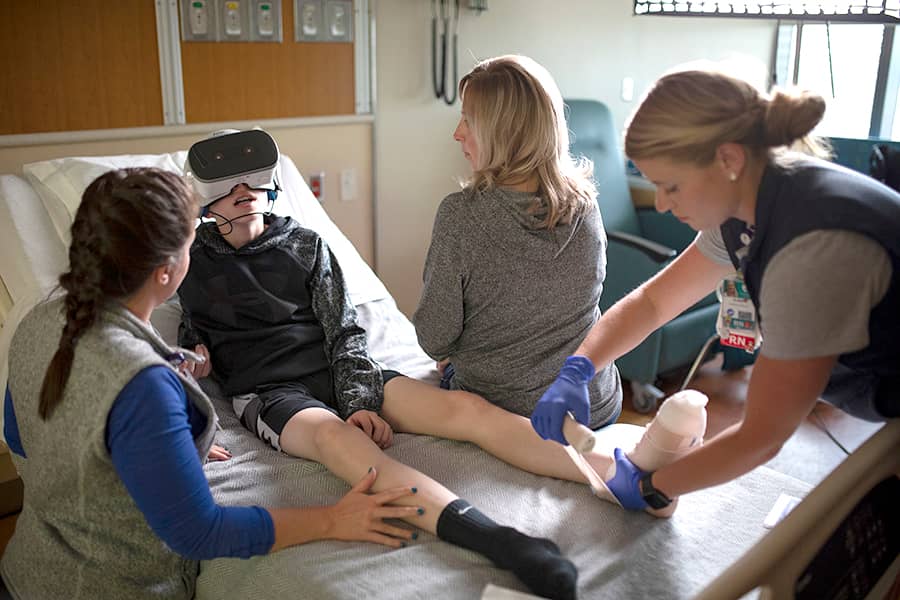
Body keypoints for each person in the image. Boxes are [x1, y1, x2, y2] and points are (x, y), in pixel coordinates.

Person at [177, 129, 579, 600]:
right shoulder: (189, 260)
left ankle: (618, 474)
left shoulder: (305, 245)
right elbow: (185, 339)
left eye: (251, 182)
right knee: (340, 442)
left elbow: (344, 329)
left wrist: (357, 400)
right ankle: (503, 543)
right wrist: (196, 390)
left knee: (465, 408)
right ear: (205, 197)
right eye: (228, 186)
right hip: (270, 393)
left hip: (338, 368)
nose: (243, 194)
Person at [1, 168, 423, 600]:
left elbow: (21, 441)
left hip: (24, 572)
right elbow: (200, 533)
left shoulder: (36, 323)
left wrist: (152, 447)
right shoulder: (144, 382)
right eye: (190, 242)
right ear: (167, 272)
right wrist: (334, 519)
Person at [531, 67, 900, 513]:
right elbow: (652, 302)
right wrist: (580, 366)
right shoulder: (748, 204)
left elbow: (762, 436)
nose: (663, 204)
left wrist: (652, 486)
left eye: (671, 186)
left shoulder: (810, 251)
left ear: (728, 159)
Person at [413, 54, 622, 431]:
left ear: (502, 132)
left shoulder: (460, 216)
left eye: (468, 120)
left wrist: (453, 354)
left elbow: (433, 338)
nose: (457, 132)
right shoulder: (586, 206)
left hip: (508, 410)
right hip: (593, 404)